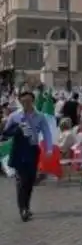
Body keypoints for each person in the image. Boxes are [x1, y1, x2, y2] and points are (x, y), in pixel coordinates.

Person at [1, 90, 54, 221]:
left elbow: (47, 132)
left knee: (30, 180)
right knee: (21, 180)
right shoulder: (14, 116)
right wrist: (17, 128)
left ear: (33, 101)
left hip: (32, 149)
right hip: (19, 150)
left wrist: (49, 149)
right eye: (24, 101)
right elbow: (6, 133)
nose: (26, 103)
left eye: (29, 101)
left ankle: (27, 206)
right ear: (20, 101)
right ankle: (22, 209)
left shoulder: (40, 116)